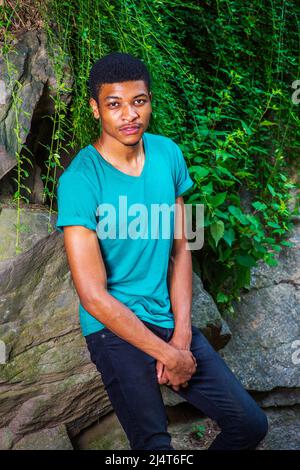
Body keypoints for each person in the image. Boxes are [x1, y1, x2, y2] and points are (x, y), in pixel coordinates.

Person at [55, 52, 268, 450]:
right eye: (114, 104)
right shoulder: (80, 182)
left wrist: (182, 339)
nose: (129, 114)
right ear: (95, 109)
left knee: (250, 424)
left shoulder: (168, 154)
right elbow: (93, 296)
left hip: (168, 319)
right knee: (154, 449)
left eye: (139, 101)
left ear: (151, 100)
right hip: (113, 329)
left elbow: (183, 248)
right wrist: (165, 355)